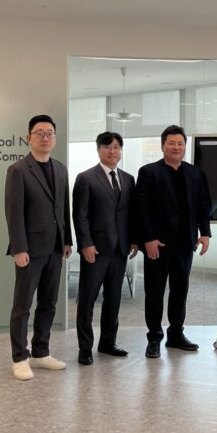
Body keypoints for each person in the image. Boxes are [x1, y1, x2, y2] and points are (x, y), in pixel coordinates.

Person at [5, 114, 72, 381]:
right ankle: (19, 357)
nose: (45, 138)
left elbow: (63, 208)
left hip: (55, 248)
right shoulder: (18, 170)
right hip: (29, 250)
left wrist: (67, 240)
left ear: (55, 138)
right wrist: (18, 248)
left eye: (50, 133)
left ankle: (41, 352)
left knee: (49, 303)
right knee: (23, 305)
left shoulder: (60, 169)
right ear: (28, 138)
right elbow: (14, 213)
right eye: (40, 133)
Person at [135, 125, 211, 359]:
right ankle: (154, 338)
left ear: (185, 146)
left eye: (180, 143)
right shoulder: (149, 172)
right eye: (171, 143)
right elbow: (141, 208)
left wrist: (205, 233)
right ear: (162, 146)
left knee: (180, 291)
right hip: (157, 245)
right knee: (155, 293)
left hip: (185, 243)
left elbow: (203, 205)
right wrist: (148, 238)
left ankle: (176, 335)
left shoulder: (195, 174)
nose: (176, 147)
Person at [72, 131, 138, 366]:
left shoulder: (128, 179)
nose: (112, 151)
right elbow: (80, 215)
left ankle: (108, 343)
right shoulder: (86, 178)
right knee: (88, 299)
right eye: (107, 146)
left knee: (113, 299)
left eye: (117, 147)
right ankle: (85, 348)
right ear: (98, 149)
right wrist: (86, 244)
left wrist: (133, 240)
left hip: (120, 249)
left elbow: (130, 213)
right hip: (96, 250)